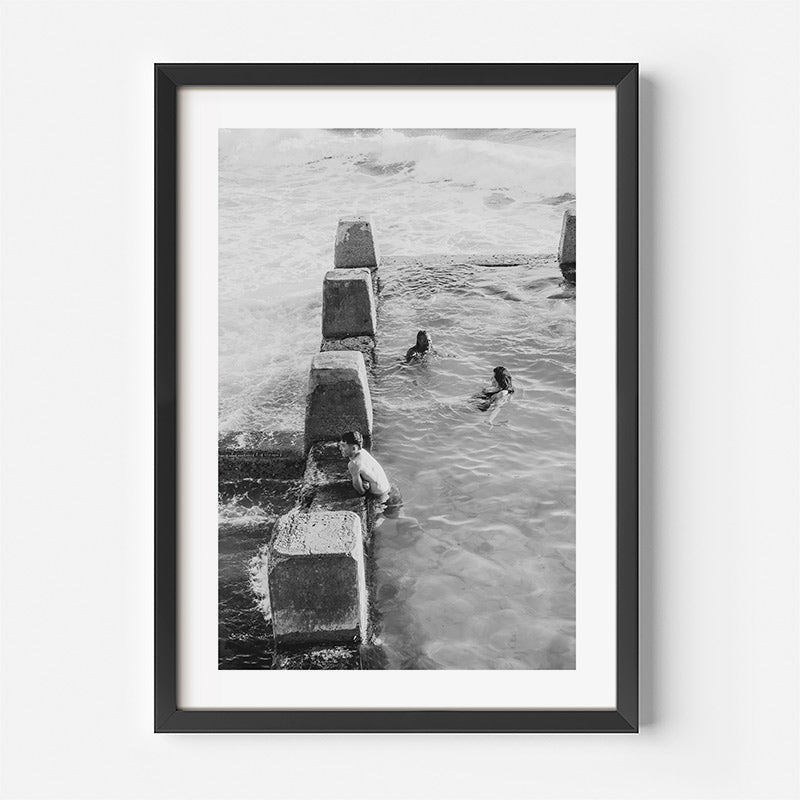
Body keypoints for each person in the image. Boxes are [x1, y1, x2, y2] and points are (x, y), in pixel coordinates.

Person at [339, 431, 391, 497]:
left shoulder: (354, 464)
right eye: (340, 445)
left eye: (343, 446)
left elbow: (361, 491)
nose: (340, 448)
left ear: (354, 448)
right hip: (386, 487)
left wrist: (362, 486)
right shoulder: (362, 452)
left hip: (379, 494)